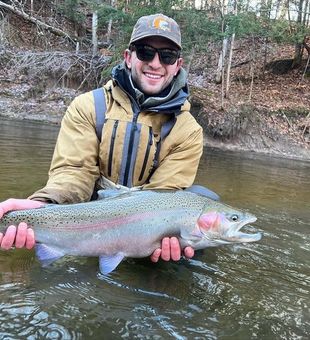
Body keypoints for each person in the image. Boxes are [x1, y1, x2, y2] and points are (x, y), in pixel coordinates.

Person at [0, 14, 203, 263]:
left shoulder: (188, 129)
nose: (155, 63)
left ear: (177, 65)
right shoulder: (89, 106)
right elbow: (74, 172)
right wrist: (43, 205)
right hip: (89, 214)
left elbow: (165, 196)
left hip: (147, 228)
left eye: (167, 56)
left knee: (200, 207)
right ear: (128, 58)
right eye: (146, 52)